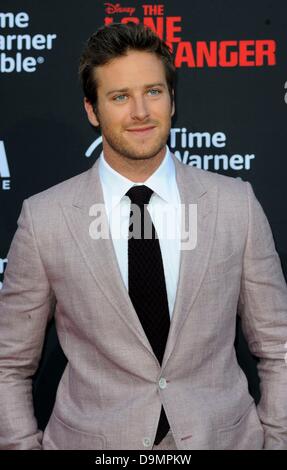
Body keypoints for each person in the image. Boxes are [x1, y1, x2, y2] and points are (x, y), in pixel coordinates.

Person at [0, 22, 287, 451]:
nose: (140, 112)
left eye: (153, 91)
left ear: (172, 100)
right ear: (92, 110)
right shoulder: (46, 219)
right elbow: (9, 361)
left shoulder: (235, 205)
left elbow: (279, 345)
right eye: (119, 97)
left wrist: (277, 440)